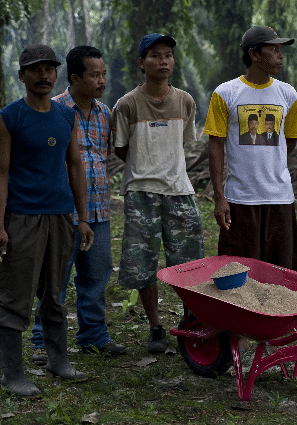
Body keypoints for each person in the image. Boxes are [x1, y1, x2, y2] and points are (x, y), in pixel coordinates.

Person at [0, 44, 92, 398]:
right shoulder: (8, 118)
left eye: (50, 69)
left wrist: (82, 217)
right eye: (36, 69)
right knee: (15, 295)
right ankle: (13, 374)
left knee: (54, 293)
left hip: (61, 217)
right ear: (22, 75)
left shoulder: (66, 116)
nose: (44, 75)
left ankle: (58, 360)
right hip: (22, 218)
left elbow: (75, 166)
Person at [30, 46, 126, 365]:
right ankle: (43, 341)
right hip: (60, 212)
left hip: (99, 210)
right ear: (74, 78)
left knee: (96, 276)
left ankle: (93, 335)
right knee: (54, 277)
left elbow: (104, 155)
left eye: (103, 74)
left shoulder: (104, 113)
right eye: (94, 75)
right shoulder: (53, 109)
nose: (101, 81)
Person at [112, 33, 205, 353]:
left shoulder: (185, 101)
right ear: (141, 62)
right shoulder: (126, 104)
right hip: (141, 194)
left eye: (168, 55)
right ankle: (155, 327)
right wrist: (146, 169)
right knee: (142, 264)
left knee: (190, 262)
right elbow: (123, 150)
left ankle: (192, 321)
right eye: (154, 55)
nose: (163, 61)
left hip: (179, 191)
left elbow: (183, 143)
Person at [204, 25, 297, 273]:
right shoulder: (225, 94)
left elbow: (289, 141)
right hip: (240, 198)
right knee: (238, 271)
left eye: (281, 50)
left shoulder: (288, 94)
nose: (280, 56)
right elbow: (215, 145)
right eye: (273, 50)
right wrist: (219, 197)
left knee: (281, 271)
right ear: (254, 54)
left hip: (279, 196)